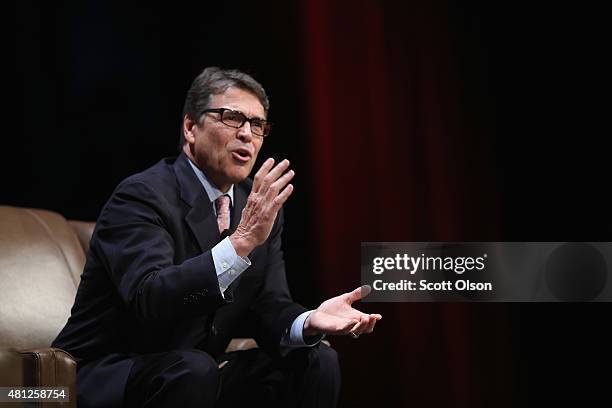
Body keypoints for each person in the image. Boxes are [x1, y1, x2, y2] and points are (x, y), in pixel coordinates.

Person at [52, 67, 382, 408]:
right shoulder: (141, 195)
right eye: (231, 117)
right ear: (190, 128)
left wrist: (308, 321)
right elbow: (149, 298)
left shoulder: (254, 205)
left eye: (258, 125)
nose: (247, 135)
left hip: (193, 374)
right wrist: (239, 243)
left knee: (317, 361)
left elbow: (267, 305)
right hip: (104, 374)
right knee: (194, 370)